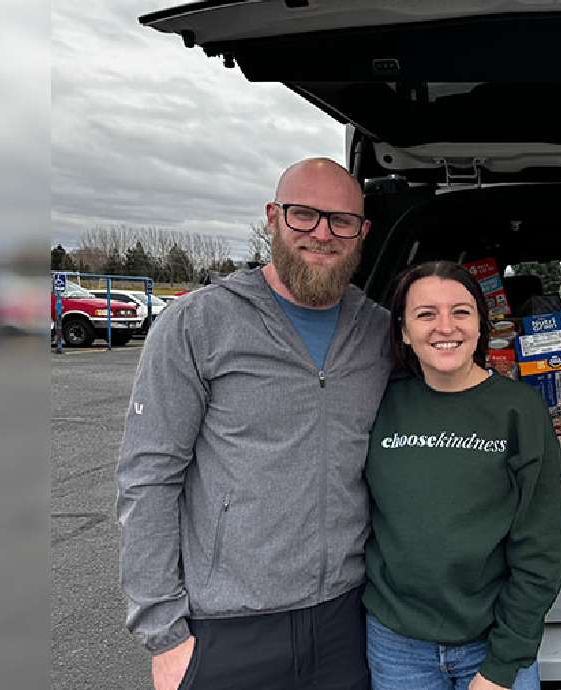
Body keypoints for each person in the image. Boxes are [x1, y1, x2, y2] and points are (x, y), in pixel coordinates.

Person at [116, 158, 391, 690]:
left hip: (347, 620)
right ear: (272, 217)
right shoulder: (198, 324)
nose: (322, 234)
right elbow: (148, 479)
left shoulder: (379, 334)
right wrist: (165, 634)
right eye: (304, 215)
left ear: (363, 232)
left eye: (341, 221)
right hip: (228, 628)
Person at [364, 261, 561, 690]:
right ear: (402, 330)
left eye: (461, 311)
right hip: (397, 644)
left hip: (490, 642)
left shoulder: (519, 411)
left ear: (480, 325)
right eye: (425, 314)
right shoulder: (378, 404)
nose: (445, 327)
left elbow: (542, 551)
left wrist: (503, 662)